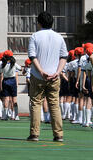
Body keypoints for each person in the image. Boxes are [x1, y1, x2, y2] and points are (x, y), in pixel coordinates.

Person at [27, 12, 67, 142]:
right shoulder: (59, 37)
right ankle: (58, 134)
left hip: (38, 75)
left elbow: (32, 56)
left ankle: (34, 134)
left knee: (36, 103)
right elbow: (64, 57)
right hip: (54, 76)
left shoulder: (35, 36)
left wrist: (41, 71)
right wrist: (58, 72)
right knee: (54, 104)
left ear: (39, 23)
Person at [0, 50, 20, 121]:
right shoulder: (14, 64)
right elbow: (20, 68)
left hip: (5, 81)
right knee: (14, 99)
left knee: (6, 99)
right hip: (12, 80)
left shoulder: (2, 64)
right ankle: (16, 115)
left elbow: (0, 72)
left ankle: (5, 115)